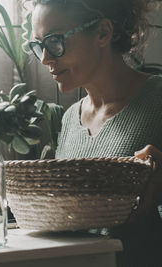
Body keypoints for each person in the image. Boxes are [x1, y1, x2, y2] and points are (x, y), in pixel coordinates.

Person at [27, 0, 162, 266]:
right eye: (39, 45)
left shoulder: (158, 100)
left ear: (102, 33)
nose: (45, 59)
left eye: (54, 42)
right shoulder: (69, 120)